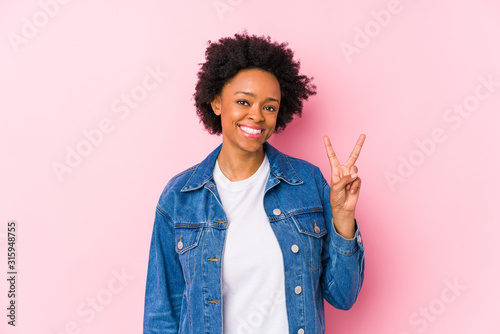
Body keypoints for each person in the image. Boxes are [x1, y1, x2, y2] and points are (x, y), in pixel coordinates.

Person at [144, 31, 366, 334]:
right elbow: (162, 314)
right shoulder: (180, 197)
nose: (256, 116)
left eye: (269, 106)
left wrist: (343, 220)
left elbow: (343, 296)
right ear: (217, 102)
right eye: (243, 101)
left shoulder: (308, 184)